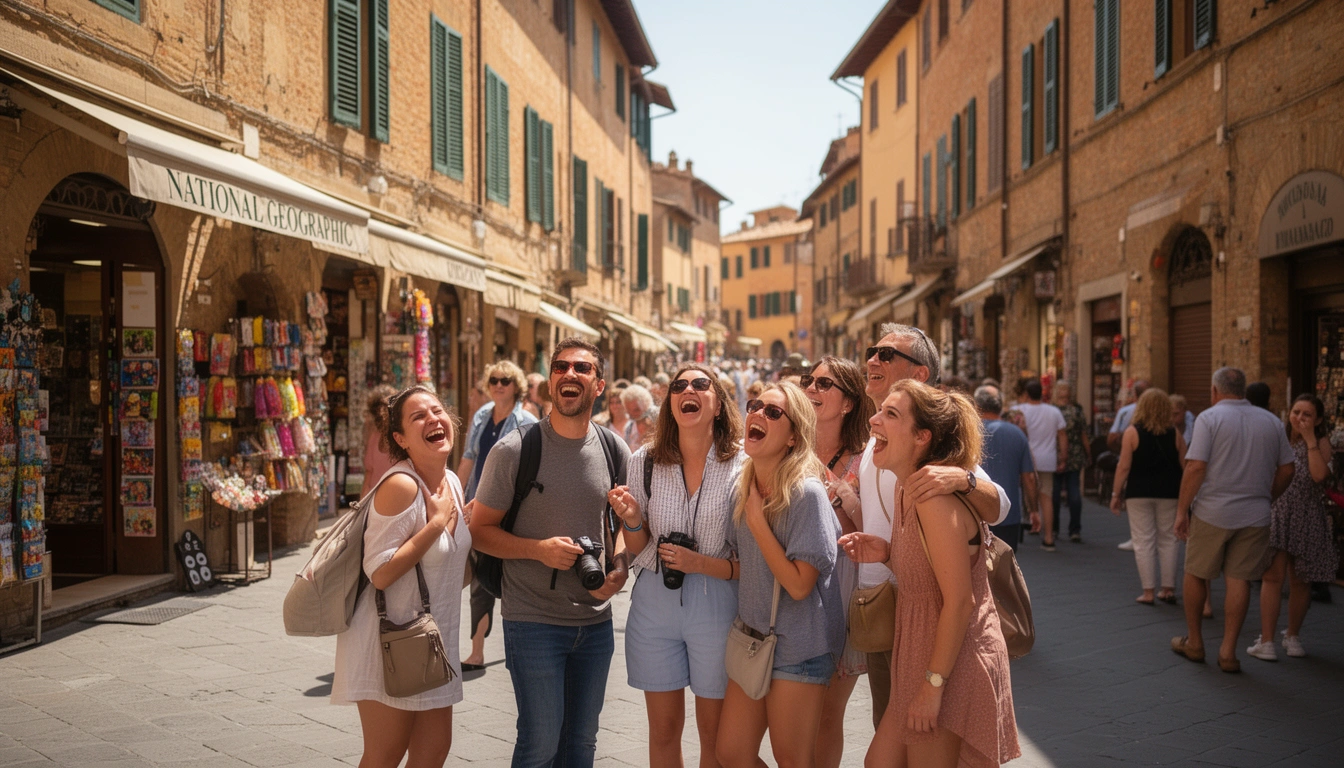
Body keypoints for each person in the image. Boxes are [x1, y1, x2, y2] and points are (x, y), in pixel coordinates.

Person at [469, 338, 632, 767]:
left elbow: (619, 528)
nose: (569, 374)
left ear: (599, 385)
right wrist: (537, 550)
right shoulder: (515, 451)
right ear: (550, 383)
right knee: (540, 744)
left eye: (582, 368)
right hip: (533, 620)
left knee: (581, 745)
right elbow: (479, 530)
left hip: (595, 625)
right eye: (561, 367)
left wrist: (618, 568)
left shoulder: (616, 450)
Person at [841, 380, 1019, 768]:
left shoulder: (933, 496)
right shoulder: (909, 487)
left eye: (890, 414)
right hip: (920, 654)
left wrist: (933, 687)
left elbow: (959, 602)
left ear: (923, 436)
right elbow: (930, 573)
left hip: (950, 662)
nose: (873, 421)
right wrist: (887, 554)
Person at [854, 323, 1011, 729]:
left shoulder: (923, 434)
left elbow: (1000, 505)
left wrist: (965, 479)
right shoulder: (879, 434)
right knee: (887, 731)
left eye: (886, 355)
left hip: (927, 613)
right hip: (887, 600)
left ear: (920, 373)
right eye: (872, 351)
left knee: (914, 735)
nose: (873, 359)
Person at [611, 365, 745, 768]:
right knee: (664, 731)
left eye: (701, 385)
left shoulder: (743, 462)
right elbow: (638, 544)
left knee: (715, 736)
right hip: (655, 601)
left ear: (718, 403)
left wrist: (700, 562)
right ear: (669, 402)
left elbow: (751, 559)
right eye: (679, 386)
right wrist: (633, 519)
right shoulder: (644, 461)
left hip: (717, 603)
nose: (689, 390)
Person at [331, 385, 472, 767]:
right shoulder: (401, 486)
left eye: (437, 410)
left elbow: (453, 573)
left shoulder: (453, 485)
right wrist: (436, 525)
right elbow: (379, 573)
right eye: (418, 417)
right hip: (390, 640)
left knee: (432, 752)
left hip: (433, 641)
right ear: (400, 439)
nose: (433, 419)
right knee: (385, 755)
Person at [716, 383, 843, 768]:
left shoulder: (807, 494)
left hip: (799, 649)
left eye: (773, 413)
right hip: (753, 640)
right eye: (755, 406)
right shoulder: (743, 486)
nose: (757, 414)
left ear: (793, 437)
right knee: (731, 753)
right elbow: (738, 559)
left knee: (792, 759)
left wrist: (757, 521)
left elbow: (800, 585)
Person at [1171, 367, 1295, 673]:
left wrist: (1182, 511)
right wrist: (1268, 496)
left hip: (1213, 510)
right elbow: (1288, 469)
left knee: (1197, 573)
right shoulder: (1271, 421)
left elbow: (1196, 467)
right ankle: (1228, 652)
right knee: (1238, 579)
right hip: (1255, 514)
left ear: (1215, 390)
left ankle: (1196, 642)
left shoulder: (1209, 418)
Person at [803, 357, 874, 768]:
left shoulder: (867, 458)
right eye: (808, 381)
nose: (812, 388)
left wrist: (837, 489)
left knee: (829, 711)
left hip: (842, 587)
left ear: (848, 403)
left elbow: (870, 526)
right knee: (793, 711)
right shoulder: (786, 445)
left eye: (824, 383)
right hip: (789, 582)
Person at [456, 361, 538, 673]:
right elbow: (468, 459)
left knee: (514, 580)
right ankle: (476, 651)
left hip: (509, 513)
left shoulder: (527, 422)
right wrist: (455, 495)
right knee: (479, 578)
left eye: (505, 380)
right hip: (475, 510)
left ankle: (523, 641)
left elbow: (524, 473)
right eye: (493, 379)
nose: (498, 385)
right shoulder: (480, 416)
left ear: (516, 386)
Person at [1248, 394, 1340, 661]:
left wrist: (1310, 438)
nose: (1299, 418)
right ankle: (1267, 641)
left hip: (1307, 515)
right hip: (1277, 512)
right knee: (1272, 577)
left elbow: (1319, 476)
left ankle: (1293, 635)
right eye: (1296, 412)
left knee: (1301, 581)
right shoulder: (1279, 436)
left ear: (1318, 419)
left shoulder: (1321, 443)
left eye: (1307, 414)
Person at [1110, 388, 1186, 606]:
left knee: (1143, 541)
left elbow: (1123, 466)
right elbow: (1185, 465)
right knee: (1169, 539)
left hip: (1139, 492)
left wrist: (1116, 493)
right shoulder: (1174, 433)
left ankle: (1149, 591)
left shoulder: (1133, 432)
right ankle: (1168, 588)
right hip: (1170, 493)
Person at [974, 386, 1037, 552]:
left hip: (975, 513)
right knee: (1006, 570)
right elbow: (1029, 478)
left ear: (976, 406)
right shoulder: (1017, 434)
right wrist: (1034, 510)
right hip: (1008, 514)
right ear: (1000, 408)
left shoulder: (968, 432)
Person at [1014, 379, 1067, 551]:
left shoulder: (1020, 410)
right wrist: (1063, 457)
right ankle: (1049, 537)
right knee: (1046, 497)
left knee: (1028, 493)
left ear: (1027, 394)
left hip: (1026, 459)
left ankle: (1031, 523)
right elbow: (1062, 436)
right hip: (1048, 459)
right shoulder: (1054, 411)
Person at [1051, 381, 1090, 543]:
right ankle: (1075, 529)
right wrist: (1089, 453)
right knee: (1074, 491)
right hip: (1074, 455)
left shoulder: (1051, 411)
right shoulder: (1077, 412)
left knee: (1054, 493)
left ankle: (1054, 529)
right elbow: (1083, 435)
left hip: (1054, 455)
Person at [359, 385, 398, 497]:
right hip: (375, 503)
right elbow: (369, 474)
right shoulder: (374, 438)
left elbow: (369, 474)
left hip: (397, 502)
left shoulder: (402, 439)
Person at [622, 384, 659, 450]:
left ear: (646, 404)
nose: (632, 414)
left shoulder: (658, 418)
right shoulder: (629, 428)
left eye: (636, 410)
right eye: (629, 410)